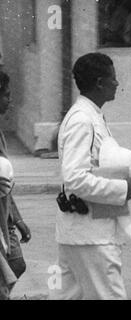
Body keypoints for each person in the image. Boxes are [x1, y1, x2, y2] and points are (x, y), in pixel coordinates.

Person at [49, 53, 131, 300]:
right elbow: (75, 178)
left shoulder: (90, 116)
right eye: (113, 78)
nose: (117, 84)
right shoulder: (82, 120)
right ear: (100, 83)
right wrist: (123, 189)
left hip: (79, 232)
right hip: (90, 235)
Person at [0, 71, 31, 300]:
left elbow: (5, 186)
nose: (9, 101)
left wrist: (17, 219)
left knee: (15, 264)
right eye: (6, 95)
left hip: (5, 218)